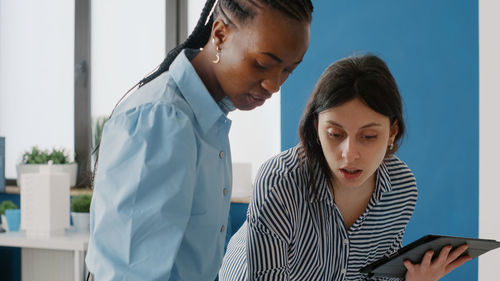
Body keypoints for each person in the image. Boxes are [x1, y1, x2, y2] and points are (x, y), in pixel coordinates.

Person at [85, 0, 313, 280]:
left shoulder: (208, 120)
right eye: (263, 64)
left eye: (288, 70)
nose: (274, 85)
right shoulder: (161, 119)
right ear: (219, 35)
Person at [219, 54, 472, 281]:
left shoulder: (400, 187)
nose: (349, 155)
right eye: (335, 134)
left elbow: (377, 277)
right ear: (316, 127)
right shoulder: (280, 181)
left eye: (369, 136)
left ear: (392, 132)